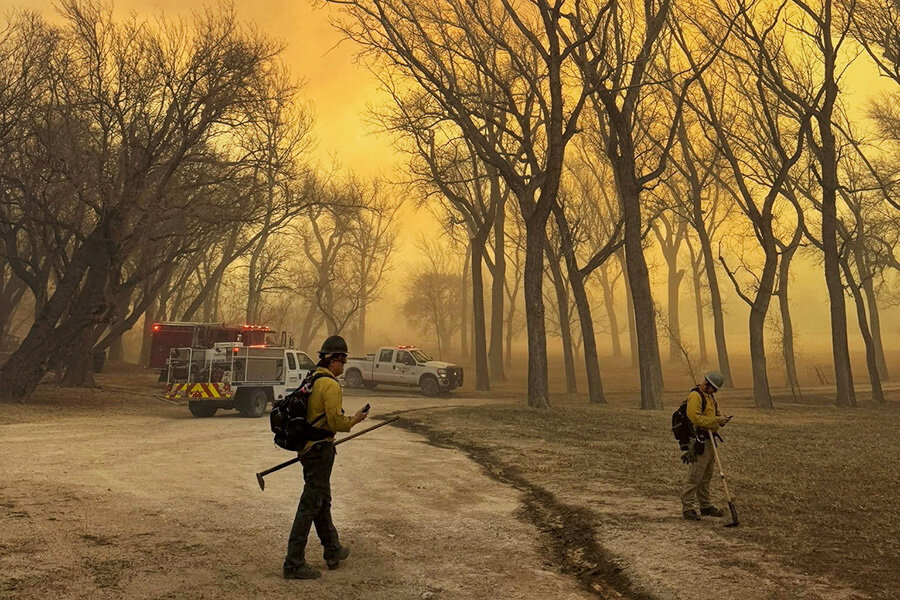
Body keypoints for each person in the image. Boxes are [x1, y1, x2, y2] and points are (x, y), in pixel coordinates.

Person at [283, 335, 369, 579]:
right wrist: (355, 419)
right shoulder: (330, 385)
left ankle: (333, 550)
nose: (344, 366)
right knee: (310, 505)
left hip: (308, 450)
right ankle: (293, 563)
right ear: (334, 360)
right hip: (320, 451)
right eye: (343, 360)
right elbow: (335, 422)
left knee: (321, 501)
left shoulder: (313, 378)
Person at [680, 370, 732, 521]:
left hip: (710, 440)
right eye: (714, 388)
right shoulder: (696, 396)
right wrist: (715, 421)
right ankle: (688, 508)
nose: (715, 391)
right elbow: (695, 418)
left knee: (707, 474)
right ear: (707, 384)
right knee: (696, 475)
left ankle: (705, 505)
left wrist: (721, 419)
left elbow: (712, 414)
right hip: (699, 440)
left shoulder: (710, 397)